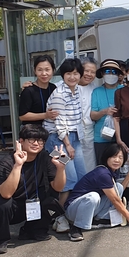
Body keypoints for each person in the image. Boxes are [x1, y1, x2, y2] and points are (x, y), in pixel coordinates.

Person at [0, 125, 67, 254]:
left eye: (40, 140)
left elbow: (58, 187)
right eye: (31, 140)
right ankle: (0, 240)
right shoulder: (6, 162)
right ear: (21, 141)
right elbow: (6, 193)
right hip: (0, 209)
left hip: (28, 205)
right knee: (3, 203)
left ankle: (33, 230)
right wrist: (18, 165)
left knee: (51, 196)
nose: (36, 143)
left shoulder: (45, 157)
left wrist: (61, 168)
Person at [63, 144, 129, 242]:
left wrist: (128, 177)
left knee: (118, 187)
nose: (117, 160)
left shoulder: (109, 171)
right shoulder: (102, 173)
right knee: (93, 197)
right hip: (73, 211)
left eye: (120, 157)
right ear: (106, 157)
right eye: (114, 156)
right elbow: (115, 200)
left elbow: (116, 193)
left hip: (88, 208)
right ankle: (76, 227)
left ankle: (98, 219)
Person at [43, 58, 88, 204]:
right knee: (69, 178)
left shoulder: (75, 91)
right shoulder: (59, 94)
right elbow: (59, 123)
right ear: (63, 75)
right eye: (68, 73)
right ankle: (60, 215)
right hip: (57, 141)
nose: (72, 77)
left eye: (75, 73)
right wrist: (68, 145)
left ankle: (75, 211)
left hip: (74, 138)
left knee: (81, 175)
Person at [91, 59, 122, 163]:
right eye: (107, 71)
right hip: (101, 138)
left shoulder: (124, 90)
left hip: (121, 137)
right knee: (102, 167)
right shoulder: (96, 91)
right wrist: (104, 112)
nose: (111, 74)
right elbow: (93, 115)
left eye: (114, 72)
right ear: (102, 74)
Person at [18, 55, 59, 125]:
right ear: (35, 71)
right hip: (32, 132)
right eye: (39, 70)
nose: (43, 73)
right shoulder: (29, 90)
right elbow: (22, 116)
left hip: (50, 130)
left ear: (53, 70)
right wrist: (45, 115)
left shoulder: (53, 88)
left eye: (47, 69)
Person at [78, 57, 100, 173]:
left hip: (88, 132)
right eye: (86, 71)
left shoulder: (95, 89)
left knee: (89, 165)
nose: (89, 74)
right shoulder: (62, 86)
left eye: (93, 72)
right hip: (69, 133)